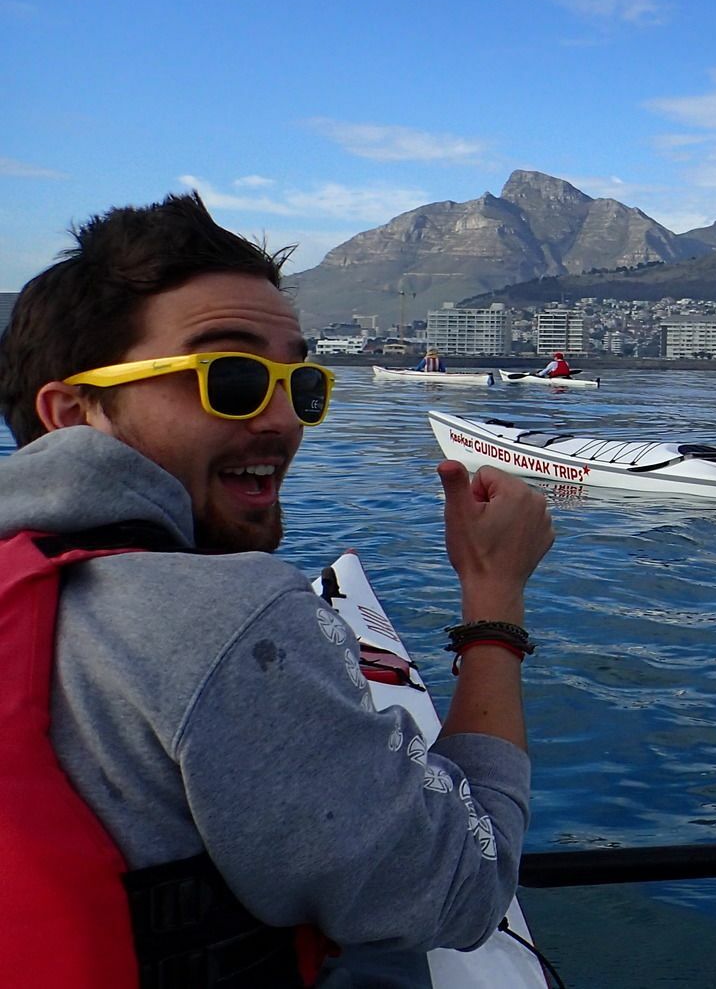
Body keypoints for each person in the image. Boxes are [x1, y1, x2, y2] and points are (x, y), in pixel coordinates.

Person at [0, 192, 554, 986]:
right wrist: (493, 600)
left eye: (299, 384)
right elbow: (466, 892)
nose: (280, 419)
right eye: (229, 376)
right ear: (73, 412)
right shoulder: (228, 620)